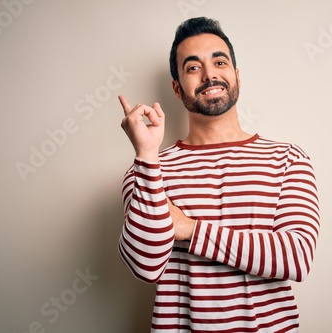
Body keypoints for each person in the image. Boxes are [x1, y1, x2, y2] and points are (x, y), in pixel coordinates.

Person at [117, 17, 320, 333]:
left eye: (219, 62)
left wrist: (187, 228)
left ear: (236, 76)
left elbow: (294, 257)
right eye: (193, 67)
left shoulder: (288, 159)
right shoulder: (147, 171)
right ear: (176, 87)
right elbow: (146, 265)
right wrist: (146, 154)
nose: (210, 74)